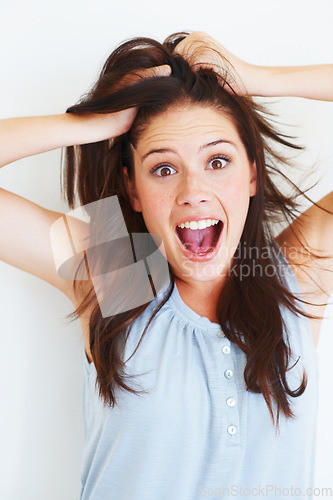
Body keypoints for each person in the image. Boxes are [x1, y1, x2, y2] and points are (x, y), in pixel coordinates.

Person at [0, 31, 332, 499]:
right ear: (132, 189)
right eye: (163, 168)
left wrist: (259, 79)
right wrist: (92, 126)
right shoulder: (121, 272)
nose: (192, 190)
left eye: (218, 160)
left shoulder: (295, 276)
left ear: (252, 173)